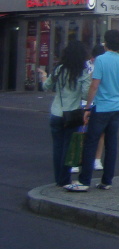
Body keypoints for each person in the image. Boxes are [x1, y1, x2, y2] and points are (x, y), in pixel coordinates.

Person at [65, 29, 119, 192]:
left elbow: (94, 85)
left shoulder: (101, 60)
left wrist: (88, 107)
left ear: (105, 43)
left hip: (101, 106)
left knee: (91, 142)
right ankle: (107, 180)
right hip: (117, 106)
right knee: (111, 144)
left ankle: (84, 181)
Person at [38, 41, 91, 187]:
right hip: (72, 114)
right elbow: (86, 94)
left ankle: (59, 179)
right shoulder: (82, 72)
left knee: (58, 147)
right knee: (68, 148)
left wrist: (44, 76)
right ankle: (64, 179)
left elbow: (46, 86)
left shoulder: (59, 69)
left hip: (56, 112)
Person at [72, 43, 109, 174]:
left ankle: (97, 160)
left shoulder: (105, 66)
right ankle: (75, 161)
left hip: (100, 102)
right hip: (84, 102)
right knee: (80, 131)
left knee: (100, 133)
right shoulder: (85, 66)